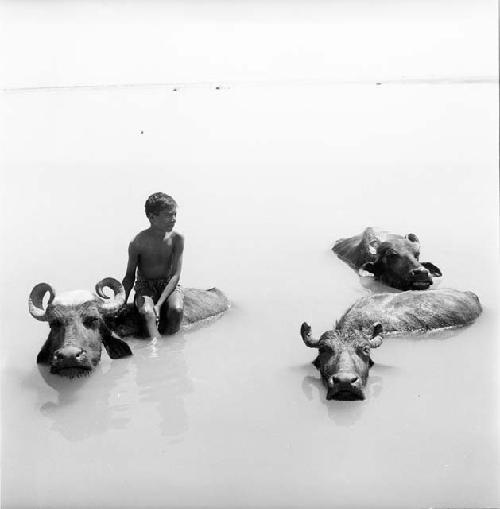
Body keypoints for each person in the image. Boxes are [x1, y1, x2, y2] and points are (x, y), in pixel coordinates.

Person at [122, 192, 184, 340]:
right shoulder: (137, 242)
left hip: (169, 285)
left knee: (176, 309)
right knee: (147, 314)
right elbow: (129, 276)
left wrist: (160, 303)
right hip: (145, 287)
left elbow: (175, 275)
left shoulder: (177, 239)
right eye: (168, 215)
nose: (173, 219)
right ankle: (155, 346)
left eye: (174, 214)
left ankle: (171, 344)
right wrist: (121, 302)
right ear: (152, 217)